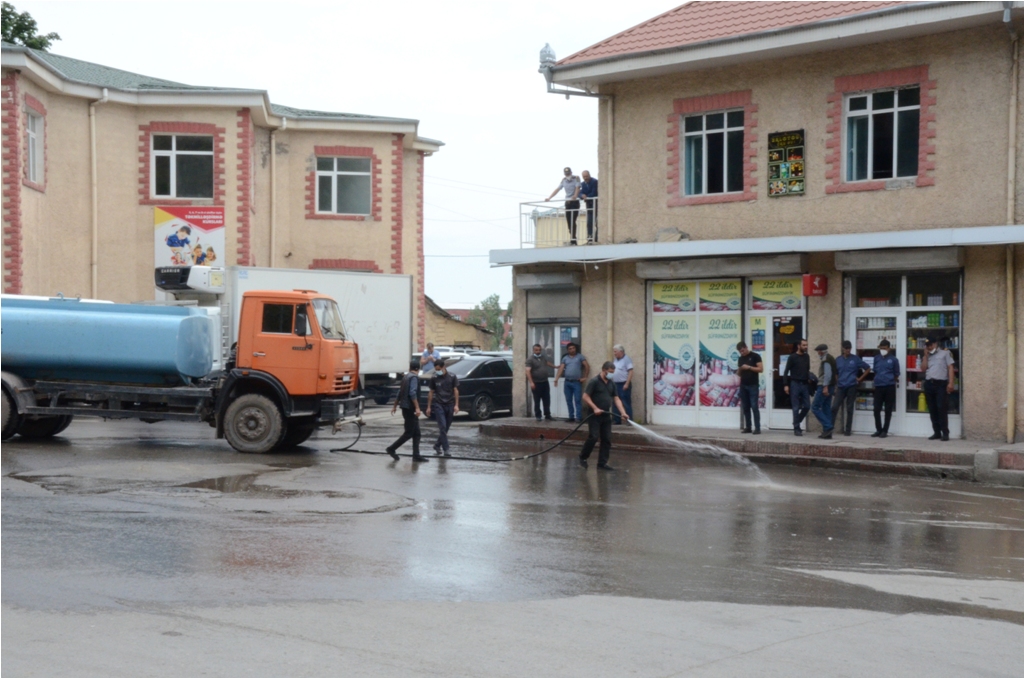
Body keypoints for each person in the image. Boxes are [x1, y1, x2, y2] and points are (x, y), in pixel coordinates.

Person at [579, 361, 630, 471]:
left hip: (606, 415)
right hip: (594, 414)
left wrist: (623, 413)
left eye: (613, 372)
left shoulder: (611, 383)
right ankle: (583, 457)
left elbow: (616, 398)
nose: (612, 374)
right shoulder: (594, 381)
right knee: (593, 437)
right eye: (610, 372)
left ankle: (602, 463)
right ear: (603, 370)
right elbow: (585, 396)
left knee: (606, 439)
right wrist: (595, 408)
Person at [386, 360, 430, 463]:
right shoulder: (414, 378)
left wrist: (395, 405)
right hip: (411, 409)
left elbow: (399, 393)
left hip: (405, 408)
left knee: (417, 433)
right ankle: (391, 448)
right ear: (418, 369)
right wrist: (417, 408)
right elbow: (412, 393)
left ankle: (416, 455)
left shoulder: (405, 377)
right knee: (409, 433)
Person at [920, 337, 955, 441]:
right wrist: (925, 356)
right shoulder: (927, 356)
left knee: (941, 408)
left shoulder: (945, 353)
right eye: (927, 346)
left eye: (930, 345)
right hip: (929, 384)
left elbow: (950, 367)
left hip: (940, 384)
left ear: (935, 344)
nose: (929, 347)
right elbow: (923, 369)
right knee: (932, 409)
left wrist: (951, 383)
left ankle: (945, 433)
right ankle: (936, 432)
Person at [832, 340, 869, 436]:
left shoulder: (855, 359)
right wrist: (837, 383)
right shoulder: (838, 359)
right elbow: (836, 373)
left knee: (849, 408)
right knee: (834, 407)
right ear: (842, 348)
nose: (848, 350)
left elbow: (868, 368)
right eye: (846, 348)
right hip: (841, 386)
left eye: (849, 348)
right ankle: (829, 427)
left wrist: (859, 379)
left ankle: (848, 430)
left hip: (851, 386)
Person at [426, 358, 459, 455]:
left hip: (450, 404)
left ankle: (437, 445)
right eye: (436, 370)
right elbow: (431, 392)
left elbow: (456, 391)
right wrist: (428, 407)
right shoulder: (434, 378)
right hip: (439, 405)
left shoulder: (452, 376)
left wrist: (456, 405)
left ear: (444, 367)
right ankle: (446, 449)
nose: (437, 371)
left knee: (446, 428)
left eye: (439, 369)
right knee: (442, 427)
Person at [870, 339, 900, 438]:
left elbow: (896, 374)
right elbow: (875, 371)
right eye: (881, 348)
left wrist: (889, 380)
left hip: (889, 387)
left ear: (889, 348)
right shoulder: (876, 358)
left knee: (888, 409)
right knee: (876, 409)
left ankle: (885, 430)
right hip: (878, 386)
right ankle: (878, 429)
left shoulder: (894, 360)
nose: (882, 350)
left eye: (884, 348)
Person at [782, 339, 811, 436]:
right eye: (804, 345)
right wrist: (786, 385)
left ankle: (796, 422)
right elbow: (786, 371)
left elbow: (807, 370)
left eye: (806, 345)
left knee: (807, 406)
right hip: (794, 384)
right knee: (795, 407)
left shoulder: (807, 357)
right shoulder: (792, 357)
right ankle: (797, 428)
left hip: (805, 384)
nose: (805, 347)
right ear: (799, 346)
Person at [554, 343, 589, 422]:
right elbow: (561, 369)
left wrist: (585, 377)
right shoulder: (565, 358)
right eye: (570, 348)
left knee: (577, 400)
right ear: (567, 350)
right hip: (567, 382)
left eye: (573, 348)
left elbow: (587, 366)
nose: (572, 350)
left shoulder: (580, 357)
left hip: (577, 382)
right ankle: (571, 417)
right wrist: (556, 379)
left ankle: (579, 417)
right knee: (568, 400)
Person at [546, 167, 581, 245]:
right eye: (566, 174)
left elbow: (578, 188)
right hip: (567, 203)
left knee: (573, 220)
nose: (567, 175)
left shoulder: (576, 178)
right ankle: (572, 238)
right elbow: (558, 189)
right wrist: (549, 198)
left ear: (571, 173)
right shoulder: (563, 180)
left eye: (568, 173)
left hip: (574, 202)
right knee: (569, 221)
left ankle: (573, 240)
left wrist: (575, 196)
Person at [810, 344, 838, 439]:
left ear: (821, 351)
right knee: (826, 408)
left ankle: (828, 426)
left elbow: (827, 375)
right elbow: (835, 375)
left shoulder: (826, 360)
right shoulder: (831, 358)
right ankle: (827, 433)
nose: (818, 353)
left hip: (824, 386)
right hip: (831, 386)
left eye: (818, 351)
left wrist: (825, 387)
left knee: (815, 407)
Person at [736, 341, 763, 434]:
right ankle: (748, 427)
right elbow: (738, 374)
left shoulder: (755, 356)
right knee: (746, 407)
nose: (742, 353)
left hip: (753, 385)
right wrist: (740, 369)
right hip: (743, 385)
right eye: (740, 352)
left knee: (754, 406)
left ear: (746, 347)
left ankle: (757, 428)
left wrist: (748, 367)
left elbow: (760, 369)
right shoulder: (740, 359)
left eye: (743, 350)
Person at [525, 344, 555, 421]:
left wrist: (555, 367)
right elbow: (528, 371)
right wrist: (531, 383)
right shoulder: (530, 359)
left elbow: (547, 363)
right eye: (536, 350)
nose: (538, 351)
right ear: (533, 350)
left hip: (545, 382)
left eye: (539, 350)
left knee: (547, 399)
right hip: (536, 383)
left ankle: (547, 415)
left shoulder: (542, 357)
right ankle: (538, 416)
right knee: (537, 400)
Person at [610, 344, 633, 424]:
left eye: (615, 351)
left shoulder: (627, 359)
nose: (614, 353)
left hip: (623, 384)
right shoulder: (616, 360)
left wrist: (627, 383)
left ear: (621, 351)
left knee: (625, 402)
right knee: (615, 402)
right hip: (615, 384)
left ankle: (629, 420)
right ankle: (616, 420)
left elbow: (630, 371)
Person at [579, 170, 598, 244]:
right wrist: (582, 195)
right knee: (589, 222)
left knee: (597, 222)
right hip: (589, 205)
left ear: (589, 175)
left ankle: (596, 238)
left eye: (586, 176)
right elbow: (580, 192)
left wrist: (586, 196)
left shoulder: (594, 182)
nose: (585, 178)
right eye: (584, 177)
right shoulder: (583, 184)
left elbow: (594, 192)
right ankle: (590, 238)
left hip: (596, 204)